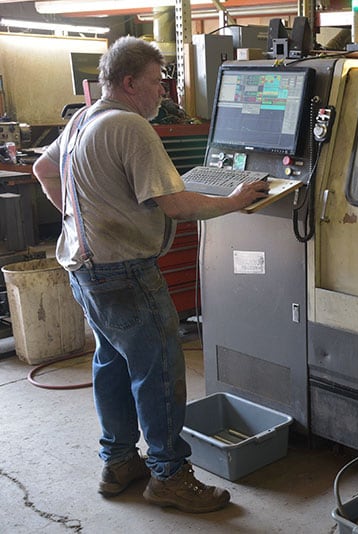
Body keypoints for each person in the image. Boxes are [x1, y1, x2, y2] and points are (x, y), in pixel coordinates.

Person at [32, 36, 268, 514]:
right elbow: (177, 205)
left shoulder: (82, 119)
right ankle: (169, 475)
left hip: (86, 269)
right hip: (126, 273)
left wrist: (80, 220)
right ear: (128, 82)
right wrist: (237, 200)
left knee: (114, 364)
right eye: (157, 83)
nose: (163, 92)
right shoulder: (130, 127)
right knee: (158, 373)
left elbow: (42, 168)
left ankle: (119, 462)